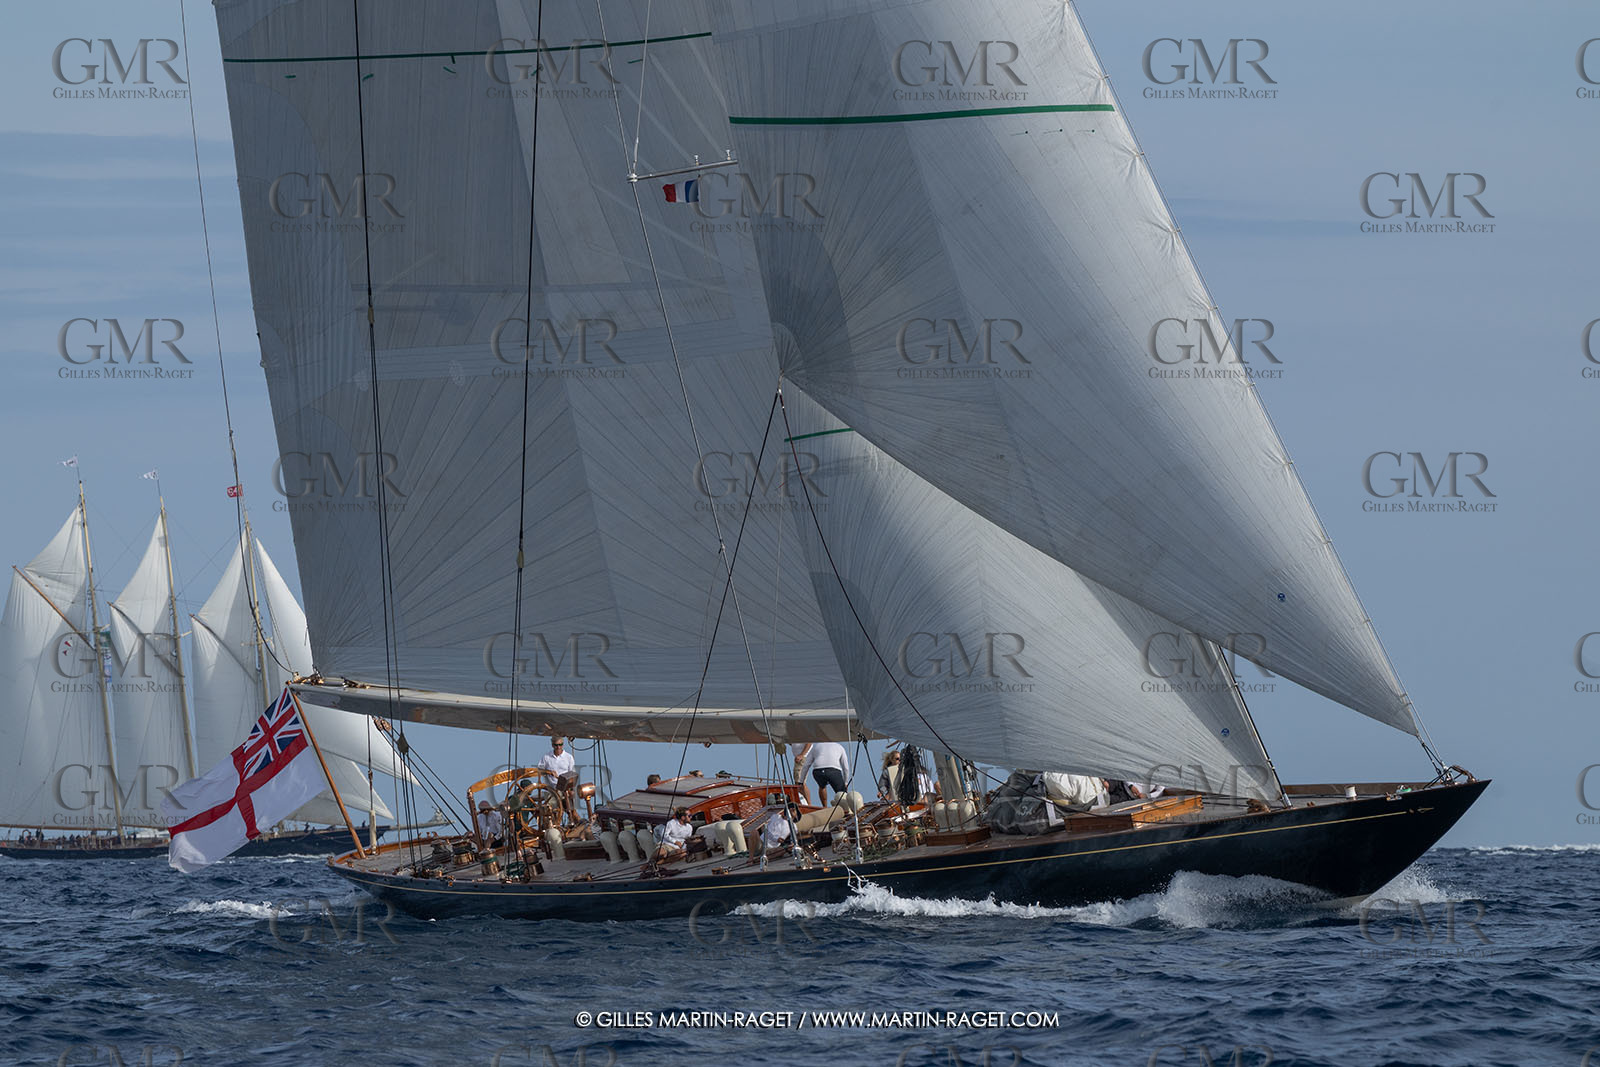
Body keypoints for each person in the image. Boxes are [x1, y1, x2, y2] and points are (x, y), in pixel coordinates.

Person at [537, 737, 578, 822]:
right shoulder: (546, 757)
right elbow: (539, 770)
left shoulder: (568, 757)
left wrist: (571, 790)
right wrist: (549, 772)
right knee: (551, 812)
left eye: (560, 745)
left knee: (571, 811)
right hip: (551, 790)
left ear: (563, 745)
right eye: (556, 745)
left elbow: (572, 774)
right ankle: (553, 828)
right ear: (552, 745)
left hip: (564, 789)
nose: (558, 747)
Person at [799, 740, 850, 807]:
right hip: (833, 771)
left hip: (818, 771)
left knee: (822, 786)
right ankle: (844, 809)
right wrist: (846, 782)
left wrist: (801, 781)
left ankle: (824, 807)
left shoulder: (816, 746)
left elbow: (806, 765)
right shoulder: (839, 747)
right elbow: (845, 767)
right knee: (841, 792)